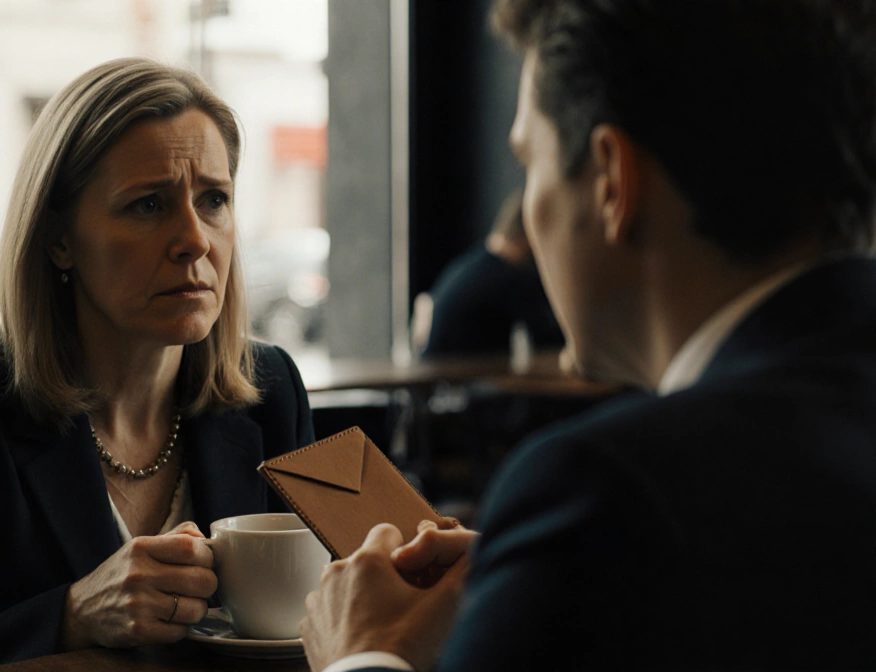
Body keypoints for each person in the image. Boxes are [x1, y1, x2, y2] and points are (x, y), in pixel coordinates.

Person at [302, 1, 876, 670]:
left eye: (529, 162)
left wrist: (367, 652)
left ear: (611, 180)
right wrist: (535, 567)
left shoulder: (607, 492)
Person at [0, 58, 314, 672]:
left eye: (213, 199)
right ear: (59, 238)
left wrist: (422, 561)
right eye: (147, 205)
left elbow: (348, 585)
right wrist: (71, 618)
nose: (195, 239)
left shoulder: (271, 388)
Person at [415, 188, 563, 357]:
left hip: (447, 375)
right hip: (459, 377)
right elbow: (548, 340)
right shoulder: (508, 276)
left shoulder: (475, 264)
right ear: (532, 231)